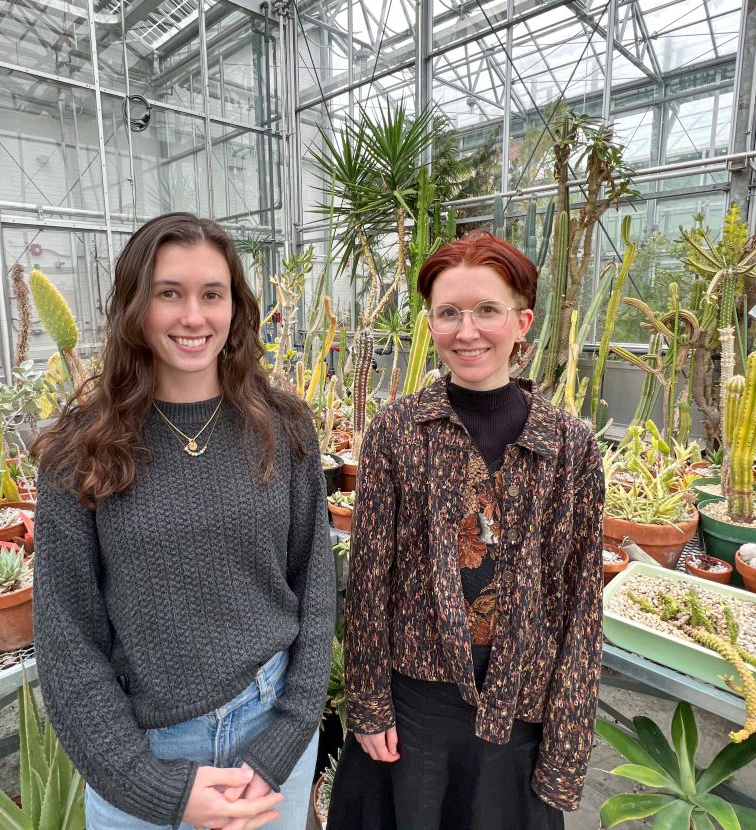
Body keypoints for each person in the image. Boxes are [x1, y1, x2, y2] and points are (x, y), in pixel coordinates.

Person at [31, 212, 335, 830]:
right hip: (145, 750)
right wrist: (148, 784)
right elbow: (67, 640)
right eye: (169, 293)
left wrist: (292, 729)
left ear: (235, 308)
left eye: (212, 295)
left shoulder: (283, 428)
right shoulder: (80, 451)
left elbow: (315, 584)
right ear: (135, 307)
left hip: (272, 730)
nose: (193, 317)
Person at [328, 230, 605, 830]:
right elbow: (371, 579)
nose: (467, 330)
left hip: (521, 711)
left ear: (523, 322)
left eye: (487, 310)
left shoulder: (568, 446)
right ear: (430, 324)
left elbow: (582, 601)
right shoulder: (400, 430)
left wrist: (565, 747)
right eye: (448, 312)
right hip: (415, 708)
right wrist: (370, 705)